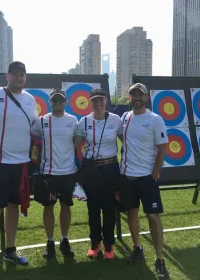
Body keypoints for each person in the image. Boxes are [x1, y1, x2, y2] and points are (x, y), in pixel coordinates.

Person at [0, 61, 38, 274]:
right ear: (7, 76)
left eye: (22, 75)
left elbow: (35, 127)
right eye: (15, 74)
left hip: (21, 165)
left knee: (13, 207)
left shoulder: (30, 100)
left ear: (25, 77)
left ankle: (10, 249)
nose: (18, 78)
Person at [118, 83, 170, 279]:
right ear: (129, 98)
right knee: (132, 212)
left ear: (146, 98)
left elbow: (163, 146)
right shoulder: (125, 118)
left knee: (153, 216)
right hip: (128, 176)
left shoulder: (155, 119)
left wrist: (155, 171)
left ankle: (159, 259)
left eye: (140, 95)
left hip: (147, 177)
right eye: (133, 95)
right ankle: (137, 247)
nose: (136, 98)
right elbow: (126, 140)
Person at [74, 88, 122, 260]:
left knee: (109, 208)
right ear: (90, 102)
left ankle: (109, 244)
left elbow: (127, 142)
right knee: (93, 208)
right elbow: (76, 144)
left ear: (105, 101)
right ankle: (95, 244)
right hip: (91, 170)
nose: (98, 103)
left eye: (101, 99)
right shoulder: (84, 121)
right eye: (95, 100)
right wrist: (80, 164)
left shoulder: (116, 120)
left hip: (110, 168)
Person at [31, 88, 78, 259]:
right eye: (54, 101)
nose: (57, 103)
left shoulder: (73, 121)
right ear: (50, 102)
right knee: (48, 207)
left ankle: (64, 239)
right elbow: (33, 140)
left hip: (68, 172)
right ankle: (50, 241)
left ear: (65, 102)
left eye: (61, 101)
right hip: (48, 173)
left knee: (66, 206)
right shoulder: (41, 121)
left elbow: (77, 142)